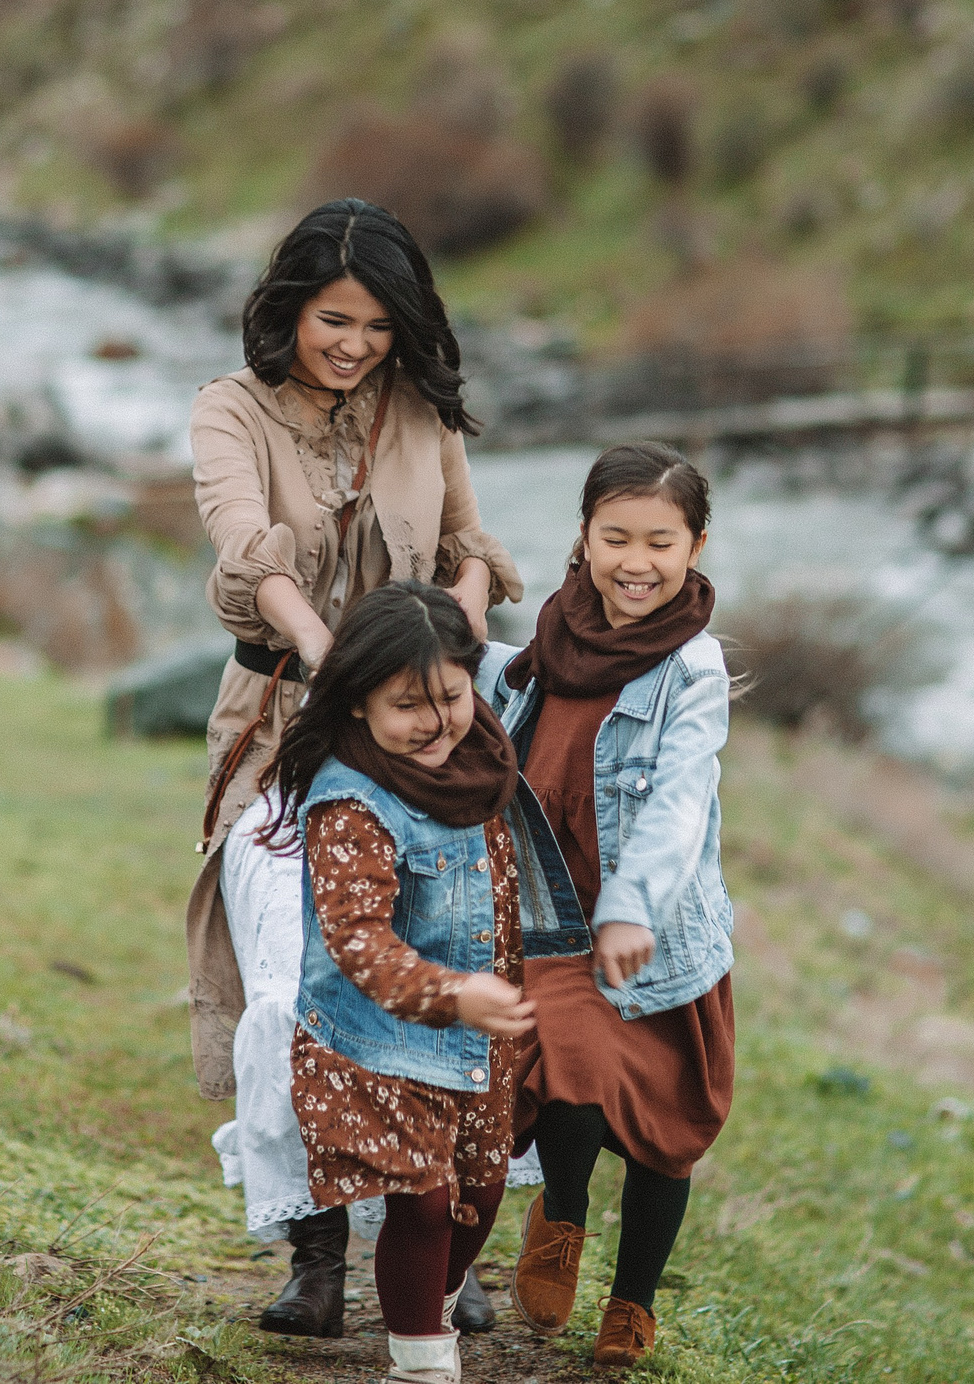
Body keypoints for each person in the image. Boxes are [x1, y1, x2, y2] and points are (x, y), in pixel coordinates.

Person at [185, 199, 524, 1336]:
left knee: (437, 962)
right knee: (296, 983)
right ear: (286, 309)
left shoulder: (423, 411)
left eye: (380, 325)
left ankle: (438, 1234)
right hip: (286, 724)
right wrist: (339, 668)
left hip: (428, 731)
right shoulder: (227, 411)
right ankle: (314, 1249)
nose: (356, 344)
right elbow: (248, 550)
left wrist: (446, 665)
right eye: (335, 319)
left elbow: (471, 549)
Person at [492, 443, 735, 1371]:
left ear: (696, 546)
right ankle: (563, 1215)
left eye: (661, 542)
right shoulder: (544, 644)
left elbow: (679, 798)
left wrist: (634, 907)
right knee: (574, 1069)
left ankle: (632, 1304)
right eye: (616, 537)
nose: (638, 561)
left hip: (657, 929)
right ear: (585, 539)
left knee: (665, 1132)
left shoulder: (695, 668)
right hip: (554, 916)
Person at [264, 581, 536, 1384]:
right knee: (419, 1200)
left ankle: (431, 1300)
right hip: (373, 1038)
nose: (436, 720)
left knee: (478, 1195)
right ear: (356, 703)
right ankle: (421, 1364)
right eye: (407, 703)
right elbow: (357, 939)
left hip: (477, 1034)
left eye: (450, 695)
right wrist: (454, 994)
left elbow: (501, 897)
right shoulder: (350, 799)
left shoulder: (476, 762)